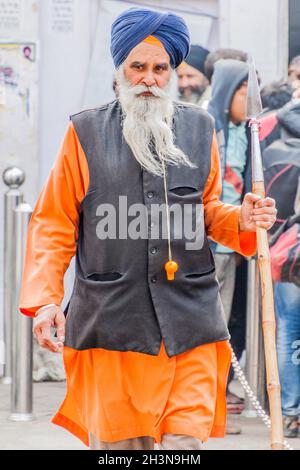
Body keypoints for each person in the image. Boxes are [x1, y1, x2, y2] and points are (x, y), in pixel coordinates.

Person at [18, 8, 276, 451]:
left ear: (174, 72)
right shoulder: (84, 131)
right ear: (119, 71)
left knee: (183, 447)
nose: (149, 79)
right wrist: (45, 302)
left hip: (189, 323)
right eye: (137, 67)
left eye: (160, 68)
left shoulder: (200, 128)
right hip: (114, 326)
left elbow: (207, 210)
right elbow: (54, 222)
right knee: (123, 452)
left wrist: (242, 219)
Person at [208, 59, 253, 433]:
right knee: (210, 329)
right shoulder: (208, 129)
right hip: (206, 247)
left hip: (230, 247)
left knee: (222, 327)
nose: (248, 99)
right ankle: (207, 407)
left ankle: (214, 404)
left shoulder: (244, 131)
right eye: (242, 92)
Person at [260, 99, 300, 437]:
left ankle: (290, 411)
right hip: (289, 249)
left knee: (288, 329)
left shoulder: (273, 151)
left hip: (286, 252)